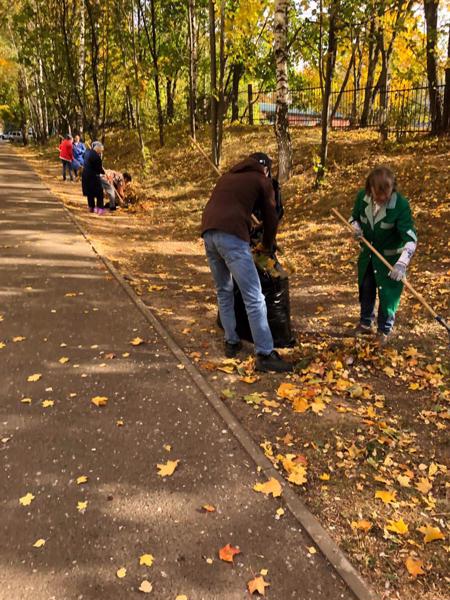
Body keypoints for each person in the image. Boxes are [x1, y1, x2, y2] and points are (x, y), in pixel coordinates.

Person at [201, 152, 292, 373]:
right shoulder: (262, 180)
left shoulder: (227, 177)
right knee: (254, 296)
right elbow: (271, 217)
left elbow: (230, 207)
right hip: (231, 237)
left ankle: (231, 340)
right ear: (267, 169)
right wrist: (267, 245)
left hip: (208, 233)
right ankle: (265, 353)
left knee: (224, 289)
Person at [349, 166, 417, 343]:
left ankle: (383, 330)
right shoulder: (362, 199)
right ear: (370, 188)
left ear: (392, 188)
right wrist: (355, 229)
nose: (382, 198)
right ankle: (365, 323)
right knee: (366, 288)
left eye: (385, 195)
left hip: (390, 260)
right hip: (368, 257)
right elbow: (353, 218)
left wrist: (402, 263)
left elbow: (410, 239)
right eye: (378, 195)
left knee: (388, 295)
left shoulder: (400, 205)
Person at [82, 141, 106, 214]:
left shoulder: (87, 153)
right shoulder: (96, 156)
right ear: (98, 148)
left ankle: (91, 207)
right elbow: (98, 168)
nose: (101, 152)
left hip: (86, 175)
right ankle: (100, 209)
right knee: (99, 193)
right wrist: (104, 172)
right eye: (101, 150)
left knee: (90, 193)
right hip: (93, 177)